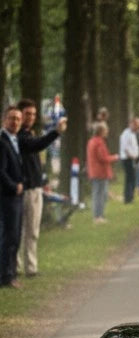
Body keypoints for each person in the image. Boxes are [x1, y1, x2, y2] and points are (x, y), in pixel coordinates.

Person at [17, 98, 68, 277]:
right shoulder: (20, 136)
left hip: (35, 186)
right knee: (27, 230)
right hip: (28, 189)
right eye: (27, 114)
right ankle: (26, 268)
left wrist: (43, 180)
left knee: (30, 230)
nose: (30, 117)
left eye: (33, 114)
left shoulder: (28, 133)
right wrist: (56, 132)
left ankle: (25, 267)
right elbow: (36, 145)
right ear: (19, 115)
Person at [0, 105, 25, 288]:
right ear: (4, 120)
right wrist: (13, 186)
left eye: (18, 118)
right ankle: (6, 276)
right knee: (9, 237)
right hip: (8, 197)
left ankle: (11, 273)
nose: (15, 122)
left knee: (15, 237)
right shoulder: (2, 142)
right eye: (11, 118)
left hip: (16, 196)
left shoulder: (14, 140)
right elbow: (1, 171)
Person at [86, 121, 119, 222]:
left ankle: (98, 215)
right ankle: (98, 216)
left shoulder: (91, 141)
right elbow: (103, 158)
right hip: (100, 172)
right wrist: (115, 157)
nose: (107, 131)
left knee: (98, 194)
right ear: (101, 131)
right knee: (100, 195)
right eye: (105, 130)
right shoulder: (99, 142)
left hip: (94, 171)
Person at [119, 116, 139, 203]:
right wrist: (132, 156)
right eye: (136, 126)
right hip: (127, 159)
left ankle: (131, 196)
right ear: (132, 124)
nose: (137, 128)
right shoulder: (126, 134)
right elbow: (125, 149)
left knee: (133, 179)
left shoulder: (133, 134)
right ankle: (127, 198)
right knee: (129, 179)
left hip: (133, 158)